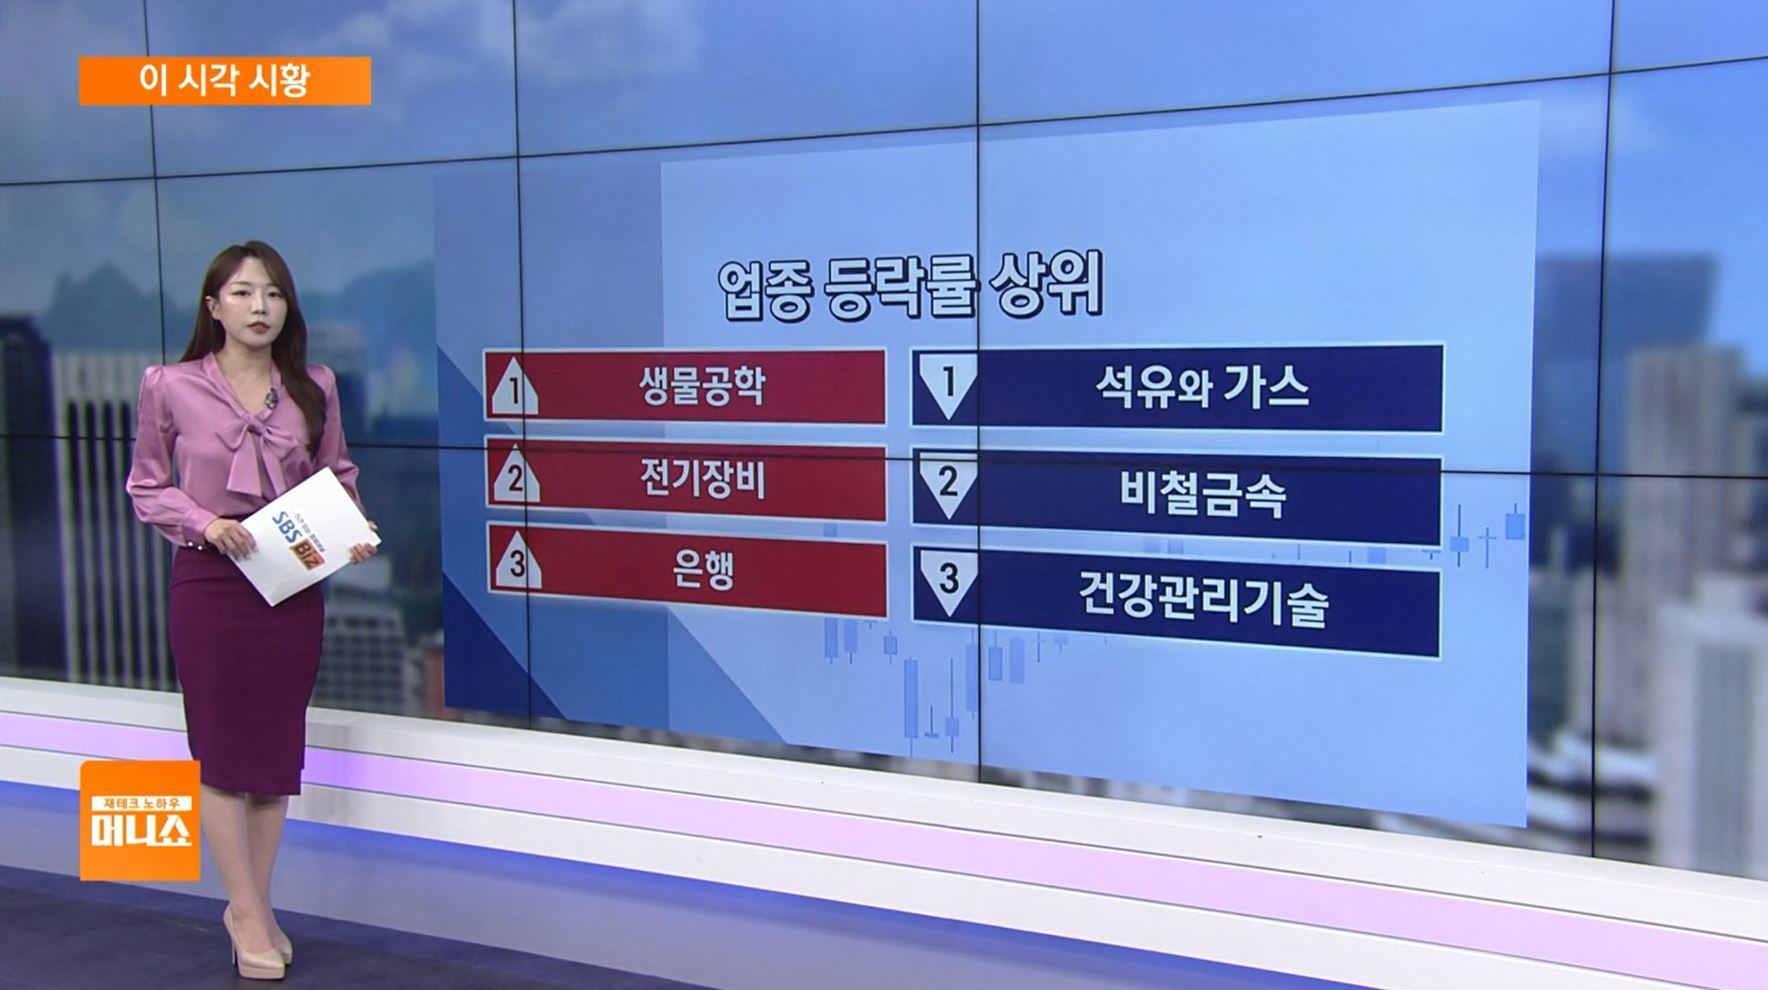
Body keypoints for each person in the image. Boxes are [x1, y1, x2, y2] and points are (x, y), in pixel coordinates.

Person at [126, 240, 376, 981]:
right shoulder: (169, 385)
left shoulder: (314, 385)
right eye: (242, 293)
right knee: (222, 753)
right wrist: (205, 523)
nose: (259, 306)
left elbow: (336, 474)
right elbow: (147, 485)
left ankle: (251, 910)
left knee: (271, 757)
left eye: (271, 293)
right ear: (214, 307)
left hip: (290, 582)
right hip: (210, 583)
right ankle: (245, 908)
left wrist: (352, 530)